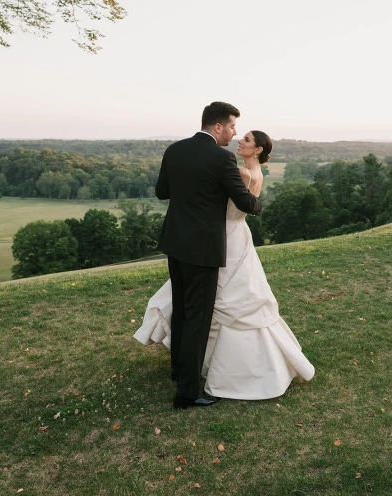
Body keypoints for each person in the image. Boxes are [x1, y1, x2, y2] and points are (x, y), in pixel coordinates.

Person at [134, 125, 315, 403]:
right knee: (205, 305)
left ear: (258, 150)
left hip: (224, 239)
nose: (238, 139)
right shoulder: (243, 169)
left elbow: (245, 203)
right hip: (222, 237)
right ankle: (191, 371)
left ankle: (198, 370)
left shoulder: (242, 171)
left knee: (200, 305)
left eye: (246, 139)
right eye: (237, 133)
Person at [136, 102, 262, 410]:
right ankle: (188, 393)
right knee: (198, 318)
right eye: (232, 127)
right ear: (218, 127)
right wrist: (259, 201)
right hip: (203, 249)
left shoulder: (174, 150)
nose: (234, 133)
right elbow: (246, 203)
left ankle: (179, 371)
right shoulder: (221, 159)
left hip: (176, 244)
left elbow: (162, 191)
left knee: (181, 310)